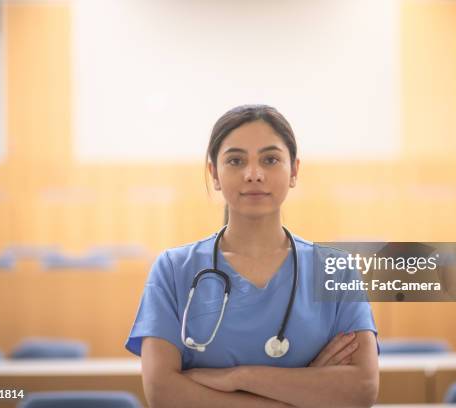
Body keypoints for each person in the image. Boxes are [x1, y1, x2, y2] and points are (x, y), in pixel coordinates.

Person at [125, 104, 379, 408]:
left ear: (294, 171)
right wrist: (304, 391)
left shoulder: (337, 270)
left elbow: (361, 389)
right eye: (235, 160)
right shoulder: (173, 269)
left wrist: (242, 378)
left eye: (270, 160)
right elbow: (163, 393)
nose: (254, 174)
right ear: (214, 174)